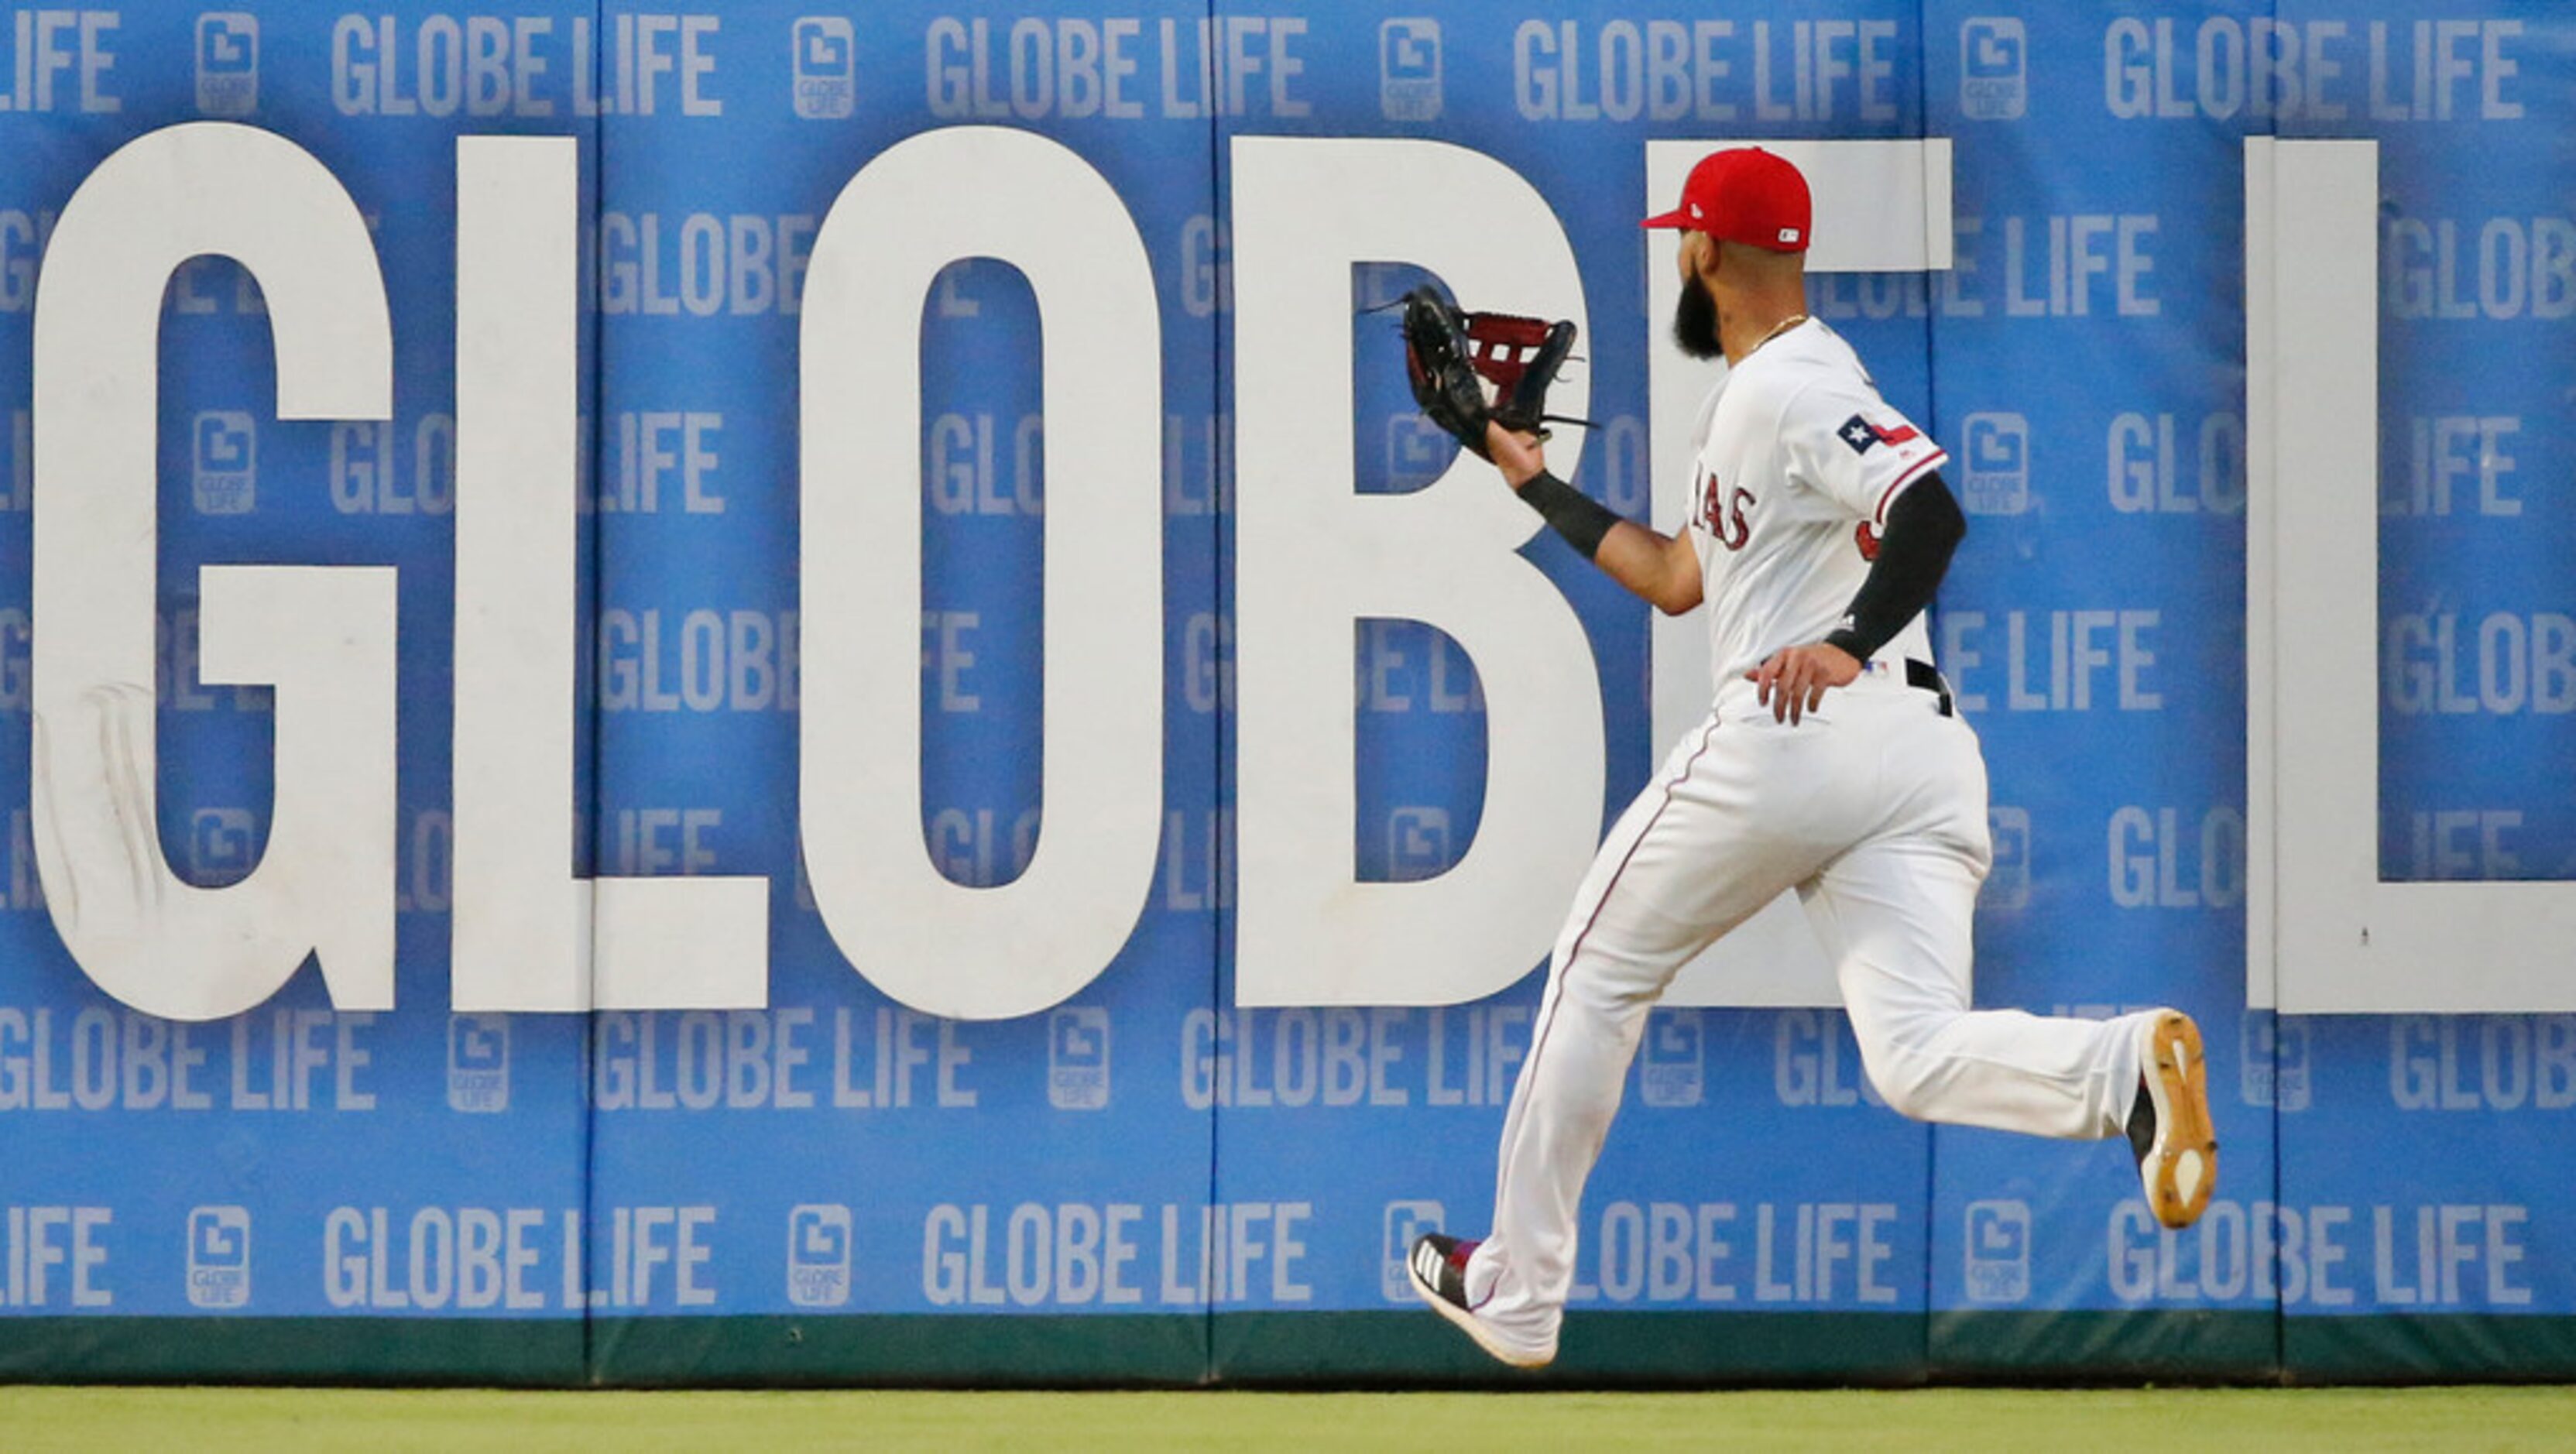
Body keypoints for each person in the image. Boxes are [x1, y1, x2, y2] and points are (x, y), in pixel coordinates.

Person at [1406, 147, 2218, 1369]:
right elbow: (1679, 579)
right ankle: (2120, 1069)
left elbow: (1932, 506)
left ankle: (1517, 1286)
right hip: (1919, 759)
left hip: (1808, 727)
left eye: (1684, 235)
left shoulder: (1792, 382)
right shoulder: (1765, 395)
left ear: (1703, 255)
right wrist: (1532, 479)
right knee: (1915, 1053)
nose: (1680, 250)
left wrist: (1843, 640)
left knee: (1594, 965)